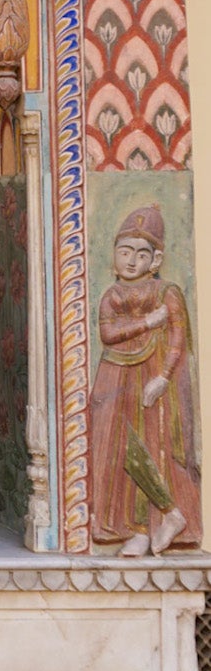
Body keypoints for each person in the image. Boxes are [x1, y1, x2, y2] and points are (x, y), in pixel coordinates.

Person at [89, 202, 201, 556]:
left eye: (141, 254)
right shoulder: (112, 295)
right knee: (114, 448)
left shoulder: (165, 292)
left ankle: (161, 518)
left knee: (150, 445)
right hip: (113, 374)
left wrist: (164, 378)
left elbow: (179, 338)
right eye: (125, 252)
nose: (131, 261)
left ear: (155, 260)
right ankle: (134, 527)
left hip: (151, 373)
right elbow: (108, 335)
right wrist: (147, 323)